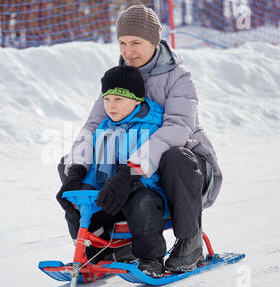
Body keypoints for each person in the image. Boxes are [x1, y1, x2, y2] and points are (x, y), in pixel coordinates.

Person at [58, 5, 222, 273]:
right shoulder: (117, 80)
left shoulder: (178, 78)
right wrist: (74, 171)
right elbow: (92, 128)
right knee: (74, 161)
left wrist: (130, 170)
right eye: (122, 43)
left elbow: (177, 129)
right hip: (131, 168)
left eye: (136, 42)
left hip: (185, 166)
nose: (128, 51)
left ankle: (189, 239)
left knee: (174, 156)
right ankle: (107, 243)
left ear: (155, 42)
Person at [57, 65, 169, 277]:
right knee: (79, 206)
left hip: (145, 191)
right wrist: (82, 190)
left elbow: (151, 168)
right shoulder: (104, 129)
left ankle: (151, 259)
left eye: (118, 100)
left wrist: (126, 182)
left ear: (137, 100)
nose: (111, 106)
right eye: (107, 100)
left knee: (141, 203)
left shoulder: (150, 126)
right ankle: (94, 255)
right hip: (112, 194)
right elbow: (98, 170)